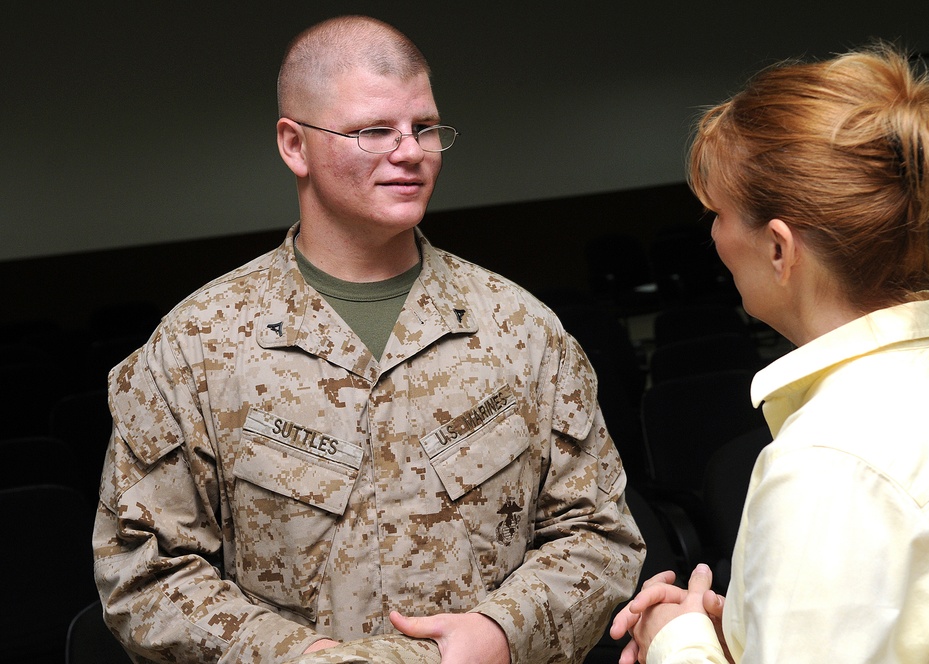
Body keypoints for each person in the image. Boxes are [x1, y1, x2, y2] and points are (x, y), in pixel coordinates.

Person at [93, 15, 644, 664]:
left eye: (424, 128)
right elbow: (144, 573)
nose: (409, 150)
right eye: (373, 130)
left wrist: (503, 633)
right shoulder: (195, 351)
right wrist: (292, 657)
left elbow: (599, 535)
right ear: (294, 146)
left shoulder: (522, 331)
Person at [611, 43, 929, 663]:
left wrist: (672, 639)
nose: (711, 236)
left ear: (778, 250)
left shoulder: (828, 465)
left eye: (718, 213)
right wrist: (742, 628)